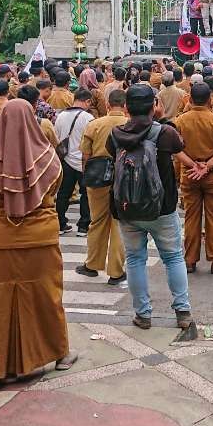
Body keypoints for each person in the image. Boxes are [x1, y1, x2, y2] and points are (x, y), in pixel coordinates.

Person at [0, 100, 77, 380]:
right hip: (40, 239)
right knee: (46, 297)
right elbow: (55, 191)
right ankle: (59, 353)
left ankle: (0, 365)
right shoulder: (50, 160)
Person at [108, 85, 198, 330]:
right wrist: (158, 117)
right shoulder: (165, 133)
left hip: (127, 207)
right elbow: (181, 145)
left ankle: (143, 314)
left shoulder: (115, 134)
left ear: (126, 108)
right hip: (162, 207)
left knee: (135, 259)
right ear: (153, 106)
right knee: (173, 257)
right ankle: (182, 311)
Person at [175, 82, 213, 273]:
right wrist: (207, 166)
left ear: (190, 99)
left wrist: (193, 165)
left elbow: (175, 150)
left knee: (191, 217)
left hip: (190, 175)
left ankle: (190, 261)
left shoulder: (180, 121)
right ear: (210, 99)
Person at [75, 88, 128, 284]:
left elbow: (85, 155)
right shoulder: (129, 125)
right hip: (123, 179)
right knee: (117, 223)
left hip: (97, 177)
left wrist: (86, 175)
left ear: (107, 105)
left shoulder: (94, 124)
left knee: (96, 220)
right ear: (125, 106)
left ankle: (92, 264)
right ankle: (116, 271)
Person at [54, 88, 94, 235]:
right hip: (83, 161)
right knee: (85, 193)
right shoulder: (87, 118)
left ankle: (60, 223)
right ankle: (83, 225)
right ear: (87, 101)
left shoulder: (61, 116)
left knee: (64, 193)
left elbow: (56, 137)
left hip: (66, 160)